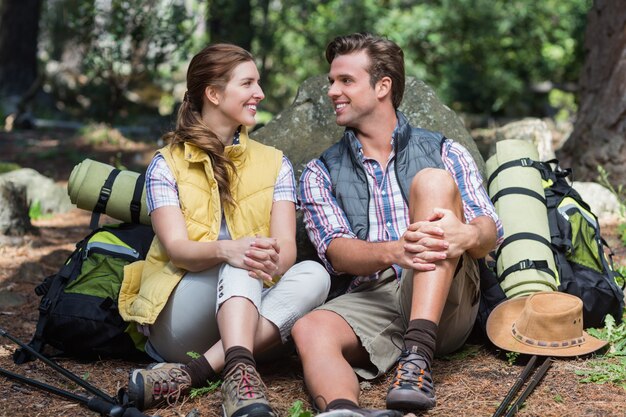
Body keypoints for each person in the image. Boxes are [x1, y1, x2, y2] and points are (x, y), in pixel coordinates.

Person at [293, 33, 503, 416]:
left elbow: (490, 230)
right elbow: (337, 252)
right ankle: (343, 410)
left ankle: (417, 358)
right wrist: (396, 250)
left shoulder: (443, 150)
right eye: (331, 82)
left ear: (382, 87)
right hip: (373, 298)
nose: (332, 91)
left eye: (346, 81)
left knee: (432, 182)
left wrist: (467, 234)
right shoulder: (320, 172)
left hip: (448, 300)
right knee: (308, 329)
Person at [117, 43, 330, 417]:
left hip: (248, 311)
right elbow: (179, 249)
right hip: (180, 316)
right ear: (213, 94)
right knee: (241, 257)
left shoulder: (275, 163)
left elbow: (286, 253)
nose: (259, 94)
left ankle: (206, 372)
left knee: (315, 274)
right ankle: (231, 368)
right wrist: (228, 250)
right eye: (248, 83)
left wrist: (254, 255)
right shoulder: (166, 165)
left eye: (258, 83)